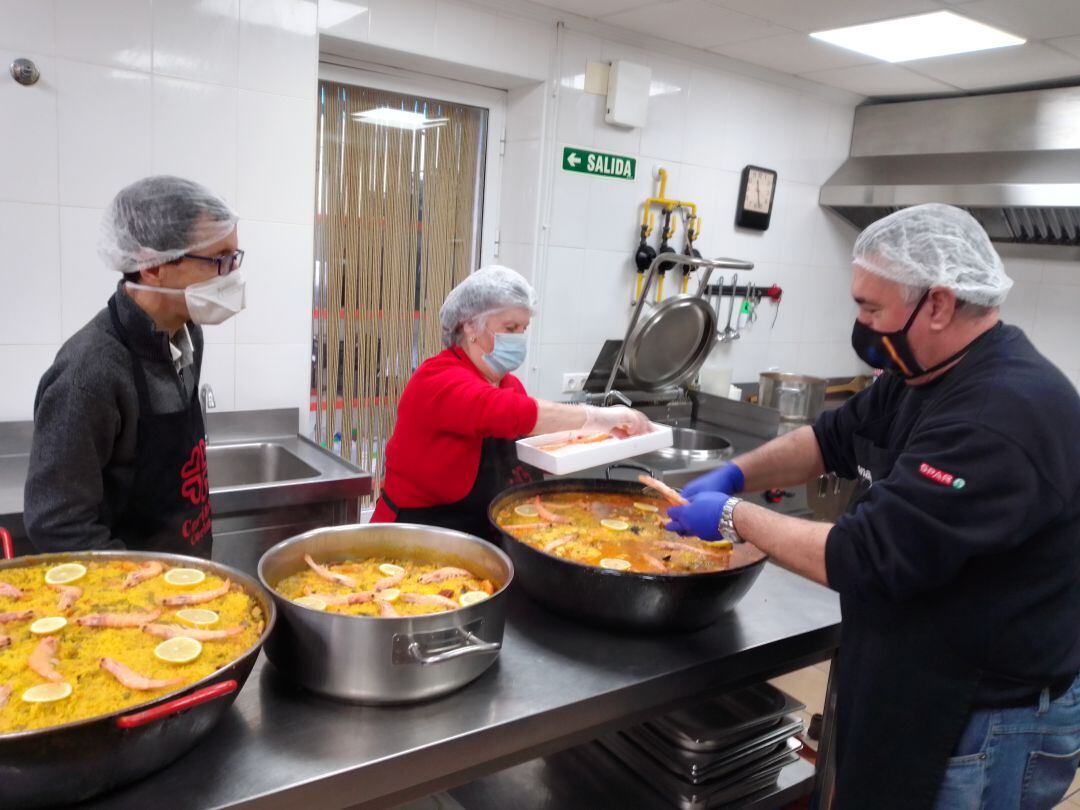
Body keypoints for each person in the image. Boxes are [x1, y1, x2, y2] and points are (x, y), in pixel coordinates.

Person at [666, 204, 1080, 809]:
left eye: (870, 308)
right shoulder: (926, 372)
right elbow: (827, 439)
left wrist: (732, 517)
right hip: (916, 675)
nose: (860, 325)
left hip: (982, 717)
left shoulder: (1000, 415)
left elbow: (863, 555)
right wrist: (734, 475)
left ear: (936, 305)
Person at [24, 176, 246, 559]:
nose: (232, 277)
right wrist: (143, 598)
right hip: (133, 604)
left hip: (190, 578)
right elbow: (58, 525)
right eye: (218, 261)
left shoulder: (188, 333)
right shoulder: (88, 374)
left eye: (235, 259)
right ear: (151, 264)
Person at [371, 265, 652, 540]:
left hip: (484, 531)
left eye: (523, 328)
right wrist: (602, 417)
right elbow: (504, 412)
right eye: (510, 327)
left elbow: (537, 438)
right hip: (415, 534)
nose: (519, 337)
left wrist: (601, 436)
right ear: (470, 325)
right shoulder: (436, 379)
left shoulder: (509, 384)